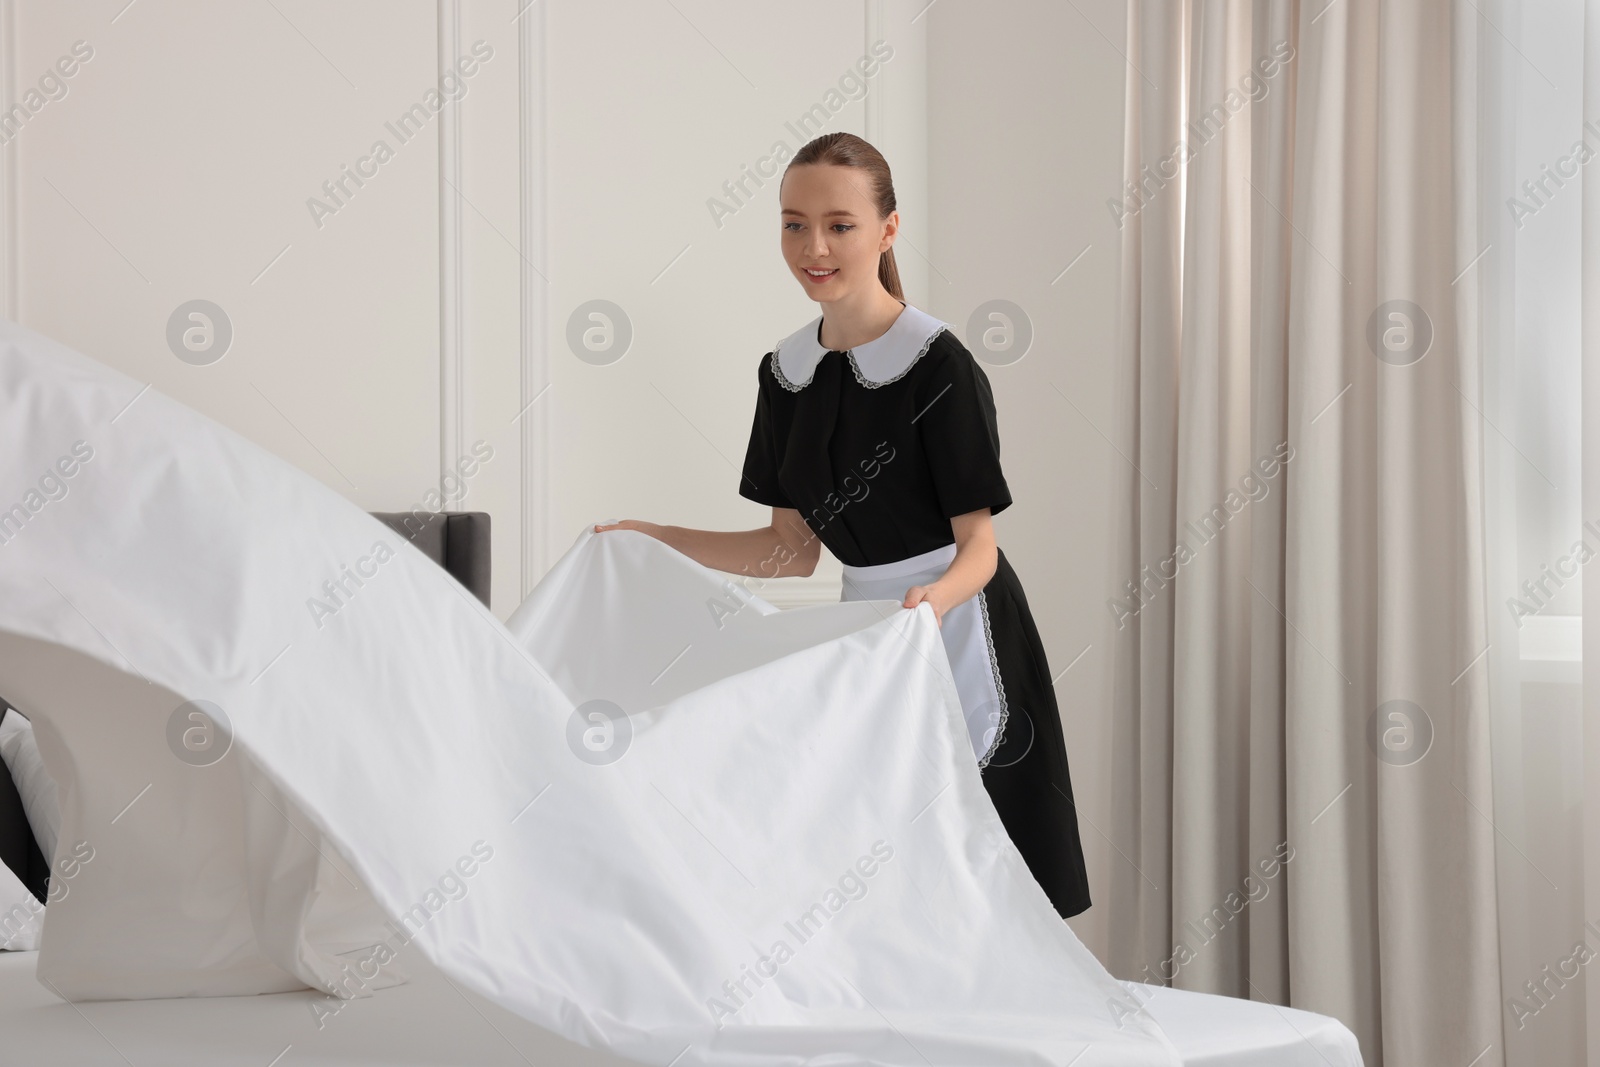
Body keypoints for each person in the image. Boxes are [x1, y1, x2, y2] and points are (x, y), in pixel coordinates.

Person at [594, 131, 1090, 920]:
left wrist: (928, 605)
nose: (813, 246)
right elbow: (789, 552)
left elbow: (980, 550)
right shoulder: (785, 371)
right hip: (869, 628)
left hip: (961, 629)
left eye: (839, 224)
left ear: (887, 230)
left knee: (982, 874)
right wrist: (653, 535)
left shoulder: (937, 364)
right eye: (793, 224)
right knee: (881, 867)